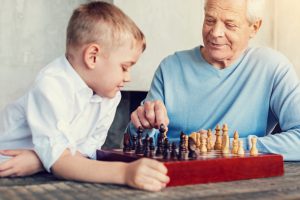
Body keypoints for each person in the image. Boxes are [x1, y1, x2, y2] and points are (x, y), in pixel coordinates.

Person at [0, 1, 169, 192]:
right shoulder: (51, 85)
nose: (128, 77)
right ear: (92, 57)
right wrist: (125, 173)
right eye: (124, 67)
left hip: (42, 170)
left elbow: (85, 153)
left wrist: (39, 159)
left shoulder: (110, 97)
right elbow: (61, 161)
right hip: (7, 165)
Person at [129, 0, 300, 161]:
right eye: (210, 20)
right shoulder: (170, 67)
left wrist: (226, 146)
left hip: (241, 179)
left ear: (254, 27)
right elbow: (135, 141)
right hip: (171, 172)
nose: (216, 33)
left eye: (230, 25)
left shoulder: (272, 67)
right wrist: (143, 124)